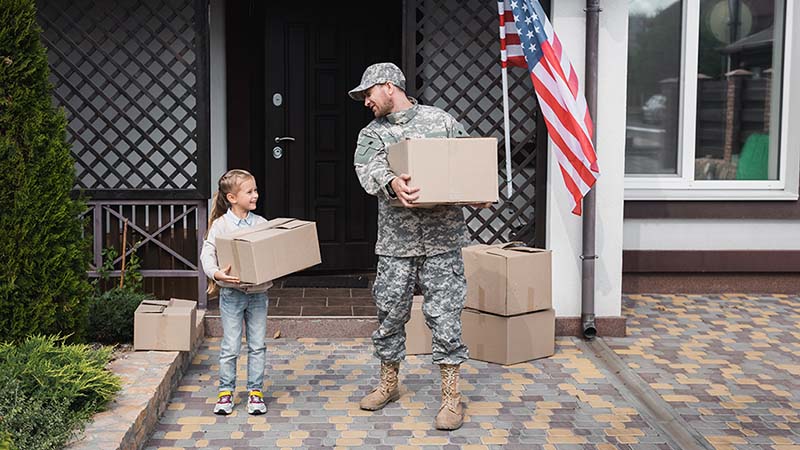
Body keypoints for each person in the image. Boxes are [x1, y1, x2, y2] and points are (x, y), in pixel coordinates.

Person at [349, 62, 484, 431]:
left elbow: (471, 163)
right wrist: (392, 182)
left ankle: (451, 398)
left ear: (389, 86)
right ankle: (388, 384)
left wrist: (480, 191)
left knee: (445, 318)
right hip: (396, 243)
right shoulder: (371, 134)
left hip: (443, 241)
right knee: (389, 314)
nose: (365, 102)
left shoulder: (441, 121)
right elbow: (368, 170)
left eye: (368, 93)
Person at [200, 169, 271, 415]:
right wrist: (217, 274)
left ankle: (255, 392)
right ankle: (225, 393)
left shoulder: (262, 224)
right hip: (231, 295)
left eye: (256, 190)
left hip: (258, 294)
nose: (255, 195)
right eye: (249, 192)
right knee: (230, 346)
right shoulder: (220, 226)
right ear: (232, 198)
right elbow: (207, 254)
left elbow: (270, 255)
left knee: (258, 345)